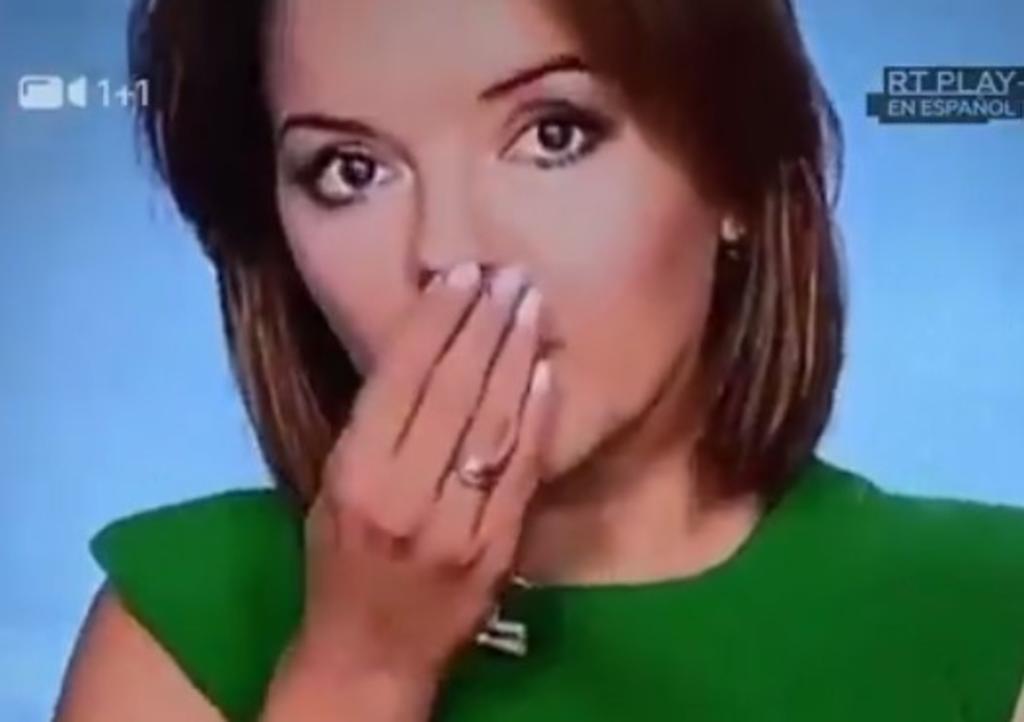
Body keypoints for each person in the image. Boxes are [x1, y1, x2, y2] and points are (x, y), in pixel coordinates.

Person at [54, 0, 1024, 720]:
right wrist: (358, 674)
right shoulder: (189, 621)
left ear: (735, 171)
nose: (449, 249)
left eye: (554, 134)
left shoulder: (991, 614)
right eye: (352, 170)